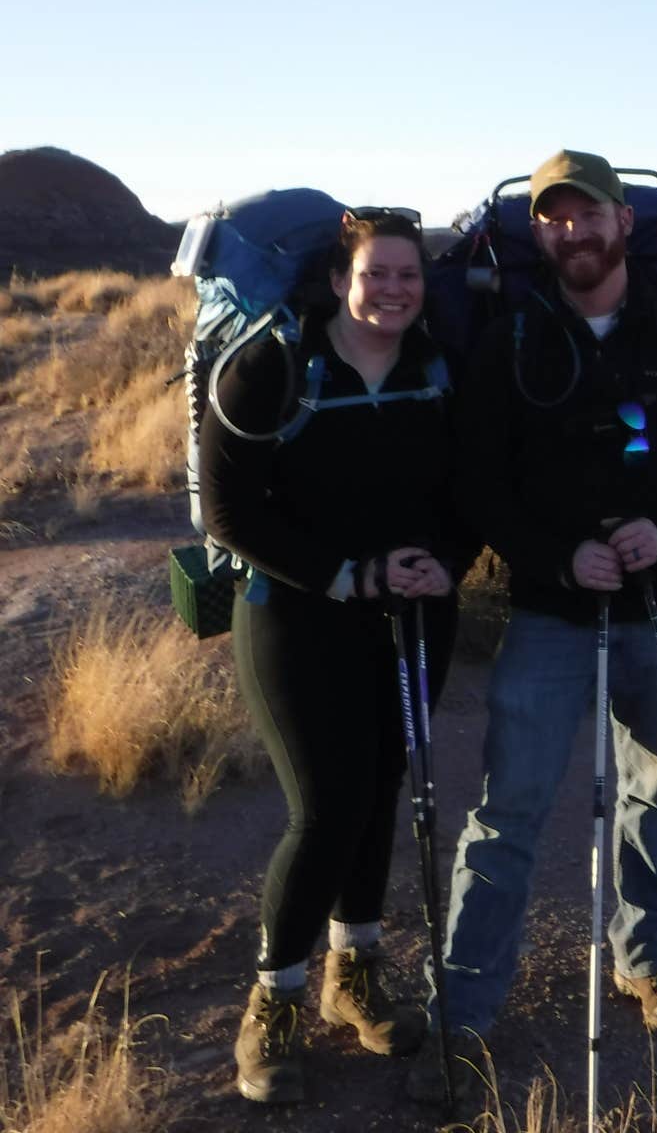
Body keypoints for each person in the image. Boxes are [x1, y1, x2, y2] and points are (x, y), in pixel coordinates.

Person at [409, 150, 657, 1101]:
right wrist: (555, 555)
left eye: (588, 216)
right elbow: (477, 480)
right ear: (538, 234)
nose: (573, 232)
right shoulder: (508, 344)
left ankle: (645, 961)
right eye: (554, 220)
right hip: (552, 612)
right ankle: (468, 1003)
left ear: (626, 224)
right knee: (510, 808)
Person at [200, 207, 473, 1105]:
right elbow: (230, 516)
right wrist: (349, 576)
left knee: (382, 787)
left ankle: (353, 971)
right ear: (339, 280)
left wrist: (449, 559)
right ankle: (271, 1000)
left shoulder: (438, 369)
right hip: (297, 617)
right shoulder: (272, 367)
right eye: (376, 273)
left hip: (414, 614)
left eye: (408, 276)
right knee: (324, 807)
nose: (393, 290)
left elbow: (471, 485)